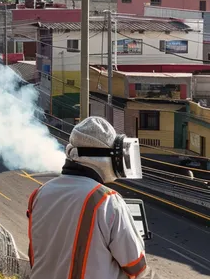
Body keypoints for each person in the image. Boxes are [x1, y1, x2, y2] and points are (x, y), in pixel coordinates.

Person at [27, 116, 151, 278]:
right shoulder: (107, 200)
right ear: (107, 156)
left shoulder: (39, 195)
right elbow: (136, 266)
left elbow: (33, 257)